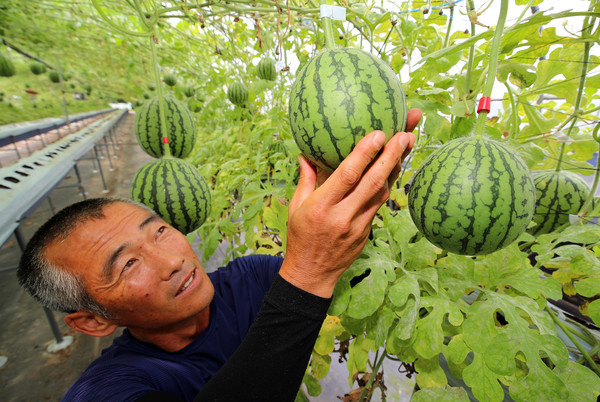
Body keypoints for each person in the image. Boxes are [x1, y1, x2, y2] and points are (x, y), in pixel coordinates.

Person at [17, 110, 421, 402]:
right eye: (128, 264)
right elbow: (305, 283)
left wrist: (358, 193)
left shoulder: (250, 279)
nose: (172, 260)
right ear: (91, 320)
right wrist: (306, 274)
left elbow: (346, 270)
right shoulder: (108, 389)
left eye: (159, 231)